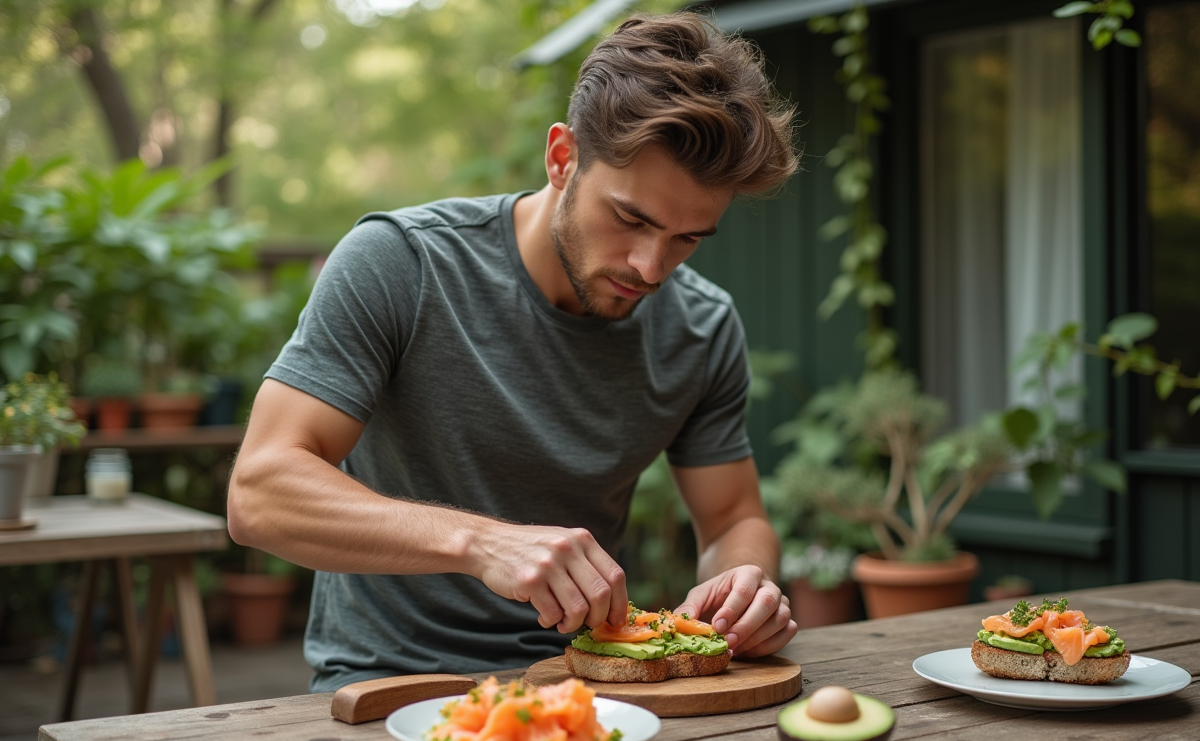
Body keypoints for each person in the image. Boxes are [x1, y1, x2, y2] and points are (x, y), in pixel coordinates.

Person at [227, 10, 800, 692]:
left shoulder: (702, 328)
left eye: (688, 238)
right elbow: (259, 494)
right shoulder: (402, 264)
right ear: (562, 158)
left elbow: (733, 517)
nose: (651, 266)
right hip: (390, 682)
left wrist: (746, 579)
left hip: (586, 684)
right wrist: (480, 542)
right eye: (631, 218)